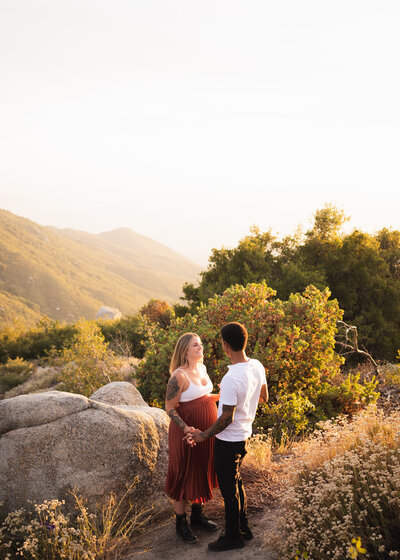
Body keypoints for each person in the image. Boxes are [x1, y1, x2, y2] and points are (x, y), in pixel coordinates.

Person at [190, 322, 268, 551]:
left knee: (228, 489)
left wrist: (203, 435)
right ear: (244, 341)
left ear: (225, 345)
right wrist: (248, 401)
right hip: (244, 435)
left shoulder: (232, 377)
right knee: (236, 482)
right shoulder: (256, 365)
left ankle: (233, 535)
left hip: (228, 440)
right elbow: (264, 396)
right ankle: (243, 527)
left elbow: (227, 418)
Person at [164, 332, 220, 543]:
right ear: (185, 350)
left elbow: (203, 397)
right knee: (183, 473)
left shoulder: (202, 369)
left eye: (201, 344)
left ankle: (197, 515)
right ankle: (181, 522)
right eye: (196, 345)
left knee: (201, 468)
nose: (201, 348)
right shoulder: (178, 376)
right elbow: (169, 407)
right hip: (185, 431)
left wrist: (224, 396)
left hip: (206, 431)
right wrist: (186, 428)